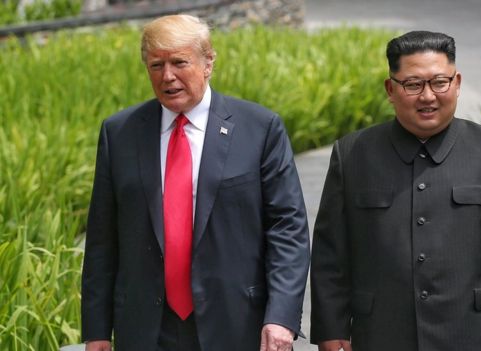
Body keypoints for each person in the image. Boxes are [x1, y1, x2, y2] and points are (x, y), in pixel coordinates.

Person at [310, 30, 481, 351]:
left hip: (479, 334)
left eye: (439, 82)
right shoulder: (353, 154)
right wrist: (331, 329)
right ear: (390, 89)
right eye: (413, 84)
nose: (428, 96)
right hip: (383, 334)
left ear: (456, 83)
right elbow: (331, 253)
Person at [81, 14, 310, 351]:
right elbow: (102, 237)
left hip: (237, 323)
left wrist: (281, 317)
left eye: (179, 62)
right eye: (156, 65)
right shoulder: (120, 133)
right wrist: (97, 331)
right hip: (146, 328)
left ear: (208, 63)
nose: (168, 76)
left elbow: (288, 228)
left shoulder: (259, 129)